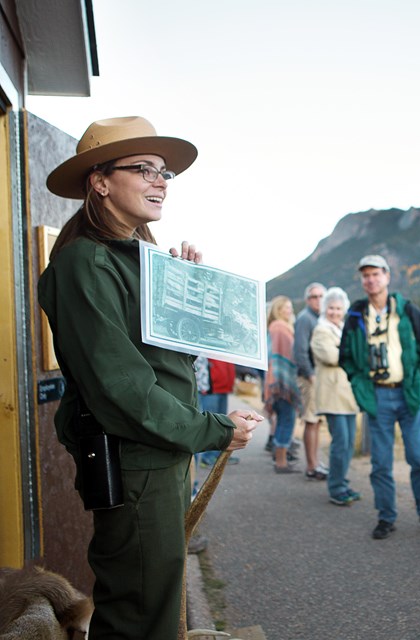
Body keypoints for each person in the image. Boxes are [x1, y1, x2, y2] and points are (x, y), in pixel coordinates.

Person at [37, 116, 260, 640]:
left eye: (164, 172)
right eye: (144, 169)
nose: (161, 180)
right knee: (141, 616)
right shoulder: (84, 263)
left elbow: (170, 360)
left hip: (161, 454)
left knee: (158, 603)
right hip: (134, 458)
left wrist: (184, 288)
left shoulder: (140, 260)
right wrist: (216, 430)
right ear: (100, 181)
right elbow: (122, 389)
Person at [339, 254, 420, 539]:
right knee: (380, 463)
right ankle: (386, 517)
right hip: (377, 397)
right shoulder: (356, 315)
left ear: (387, 276)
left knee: (419, 457)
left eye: (375, 274)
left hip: (408, 395)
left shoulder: (408, 311)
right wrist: (360, 387)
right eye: (365, 275)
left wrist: (419, 387)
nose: (370, 280)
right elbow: (345, 357)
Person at [311, 287, 360, 506]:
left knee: (348, 443)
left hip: (347, 396)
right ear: (325, 308)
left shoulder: (340, 329)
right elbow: (332, 356)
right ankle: (336, 488)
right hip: (332, 396)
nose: (335, 312)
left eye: (339, 308)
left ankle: (342, 481)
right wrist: (350, 351)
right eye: (331, 308)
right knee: (340, 443)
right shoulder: (321, 330)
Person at [293, 282, 329, 480]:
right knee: (311, 420)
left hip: (319, 377)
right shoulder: (305, 318)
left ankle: (316, 462)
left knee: (317, 421)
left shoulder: (320, 318)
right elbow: (300, 350)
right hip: (310, 378)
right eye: (314, 297)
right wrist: (311, 375)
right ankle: (311, 466)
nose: (318, 300)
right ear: (308, 300)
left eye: (321, 296)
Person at [264, 295, 302, 473]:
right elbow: (288, 354)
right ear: (278, 309)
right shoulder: (280, 327)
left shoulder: (276, 326)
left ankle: (281, 458)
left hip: (277, 381)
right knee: (287, 420)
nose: (290, 310)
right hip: (281, 382)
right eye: (287, 307)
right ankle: (280, 463)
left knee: (283, 420)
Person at [194, 356, 239, 467]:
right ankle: (207, 457)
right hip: (211, 388)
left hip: (223, 386)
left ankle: (218, 455)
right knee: (212, 424)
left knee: (222, 423)